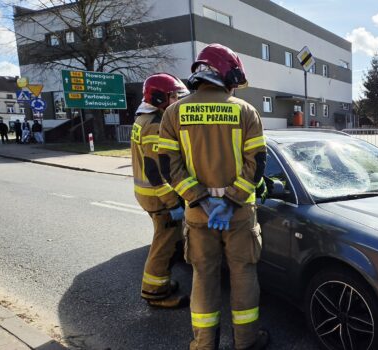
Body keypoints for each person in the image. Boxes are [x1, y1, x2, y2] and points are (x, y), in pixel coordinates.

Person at [159, 43, 269, 350]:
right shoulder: (245, 111)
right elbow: (257, 165)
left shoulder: (173, 112)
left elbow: (169, 167)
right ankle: (246, 342)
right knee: (244, 274)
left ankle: (204, 344)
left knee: (203, 278)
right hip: (238, 214)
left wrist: (204, 202)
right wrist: (230, 201)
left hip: (198, 215)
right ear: (224, 73)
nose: (234, 87)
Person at [131, 73, 191, 308]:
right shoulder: (154, 125)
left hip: (147, 193)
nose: (176, 100)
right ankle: (155, 292)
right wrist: (172, 203)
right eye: (173, 96)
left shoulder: (143, 118)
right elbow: (155, 170)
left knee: (163, 241)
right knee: (163, 245)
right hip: (158, 196)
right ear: (158, 97)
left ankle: (161, 283)